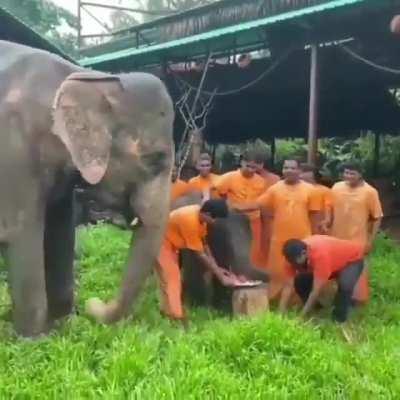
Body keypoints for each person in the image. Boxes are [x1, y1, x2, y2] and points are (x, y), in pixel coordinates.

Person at [234, 159, 321, 300]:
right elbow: (258, 203)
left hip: (302, 238)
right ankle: (274, 298)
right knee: (276, 271)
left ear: (299, 171)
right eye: (286, 167)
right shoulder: (275, 188)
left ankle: (298, 300)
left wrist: (315, 238)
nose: (289, 170)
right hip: (279, 238)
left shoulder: (311, 190)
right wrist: (237, 207)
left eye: (292, 168)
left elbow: (315, 216)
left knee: (301, 271)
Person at [156, 199, 240, 321]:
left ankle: (167, 311)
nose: (215, 223)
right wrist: (221, 278)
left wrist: (219, 269)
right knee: (173, 279)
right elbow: (200, 254)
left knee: (167, 279)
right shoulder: (189, 220)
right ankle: (177, 317)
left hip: (173, 245)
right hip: (161, 244)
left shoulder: (200, 217)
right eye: (215, 219)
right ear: (208, 215)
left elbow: (204, 245)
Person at [330, 162, 383, 303]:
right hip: (336, 236)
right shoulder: (336, 187)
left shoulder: (370, 192)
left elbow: (377, 217)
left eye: (352, 173)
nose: (348, 176)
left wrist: (370, 241)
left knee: (356, 270)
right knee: (336, 267)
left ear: (360, 174)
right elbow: (329, 208)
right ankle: (337, 296)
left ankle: (355, 299)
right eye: (346, 173)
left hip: (357, 238)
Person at [280, 235, 365, 323]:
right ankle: (316, 309)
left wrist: (301, 317)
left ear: (304, 253)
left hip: (352, 260)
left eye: (295, 262)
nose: (293, 265)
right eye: (291, 262)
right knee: (300, 281)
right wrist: (281, 312)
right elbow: (288, 286)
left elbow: (315, 290)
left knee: (345, 285)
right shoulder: (291, 259)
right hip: (331, 262)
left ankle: (338, 320)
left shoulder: (320, 256)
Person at [213, 150, 267, 268]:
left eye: (253, 167)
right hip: (235, 220)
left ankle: (253, 273)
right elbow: (216, 191)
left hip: (254, 219)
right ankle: (236, 272)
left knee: (254, 248)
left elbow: (262, 201)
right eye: (247, 166)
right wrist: (228, 205)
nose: (250, 170)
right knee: (235, 246)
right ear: (241, 163)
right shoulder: (229, 177)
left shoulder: (261, 181)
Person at [300, 163, 332, 234]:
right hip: (301, 227)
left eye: (304, 172)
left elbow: (328, 207)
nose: (301, 175)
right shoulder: (298, 190)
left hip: (319, 227)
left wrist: (327, 220)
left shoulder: (325, 190)